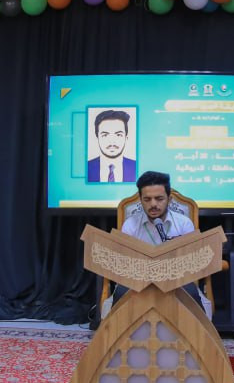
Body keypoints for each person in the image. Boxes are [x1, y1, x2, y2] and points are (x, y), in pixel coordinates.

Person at [113, 170, 211, 317]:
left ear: (169, 199)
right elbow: (126, 261)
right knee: (121, 292)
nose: (153, 204)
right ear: (141, 200)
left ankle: (198, 332)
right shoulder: (130, 225)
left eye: (159, 199)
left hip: (176, 278)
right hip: (139, 278)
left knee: (191, 293)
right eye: (147, 199)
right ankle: (116, 331)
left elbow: (190, 261)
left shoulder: (183, 223)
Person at [86, 109, 136, 183]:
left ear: (126, 138)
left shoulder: (136, 167)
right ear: (97, 138)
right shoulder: (86, 167)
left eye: (118, 135)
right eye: (105, 135)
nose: (112, 141)